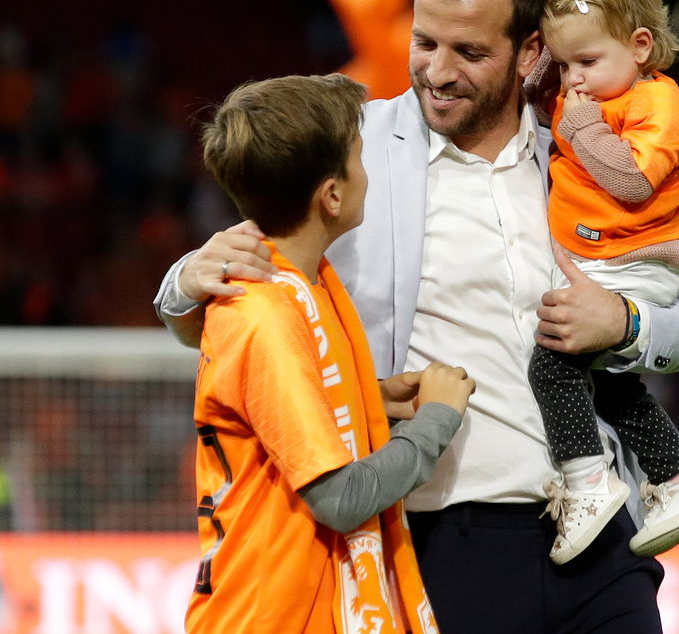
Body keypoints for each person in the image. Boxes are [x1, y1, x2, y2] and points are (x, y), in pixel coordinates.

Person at [156, 0, 679, 631]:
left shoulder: (588, 153)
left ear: (528, 50)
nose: (438, 72)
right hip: (439, 538)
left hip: (598, 535)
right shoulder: (353, 147)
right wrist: (187, 280)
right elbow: (228, 298)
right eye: (425, 42)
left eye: (469, 52)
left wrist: (624, 322)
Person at [186, 72, 477, 633]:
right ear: (332, 195)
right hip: (269, 617)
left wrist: (373, 401)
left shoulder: (305, 282)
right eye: (359, 158)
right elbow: (341, 499)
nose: (369, 174)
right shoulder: (265, 313)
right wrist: (437, 421)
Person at [525, 0, 679, 565]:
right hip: (604, 254)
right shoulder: (598, 90)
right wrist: (546, 63)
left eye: (585, 61)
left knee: (553, 365)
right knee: (610, 384)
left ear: (639, 46)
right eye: (563, 65)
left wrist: (582, 124)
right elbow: (538, 101)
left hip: (632, 261)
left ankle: (588, 484)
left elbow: (632, 181)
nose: (573, 80)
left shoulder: (658, 105)